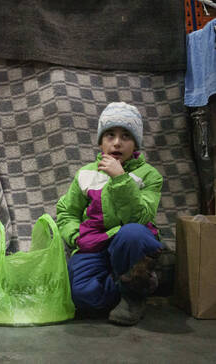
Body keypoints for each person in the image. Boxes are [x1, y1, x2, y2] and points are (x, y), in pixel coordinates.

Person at [56, 102, 163, 326]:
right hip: (94, 243)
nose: (117, 142)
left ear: (135, 143)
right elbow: (67, 212)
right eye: (110, 135)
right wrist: (76, 237)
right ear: (101, 142)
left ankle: (133, 299)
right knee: (81, 296)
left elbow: (141, 217)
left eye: (125, 136)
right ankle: (130, 287)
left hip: (128, 245)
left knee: (134, 233)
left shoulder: (150, 176)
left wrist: (121, 179)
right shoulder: (86, 174)